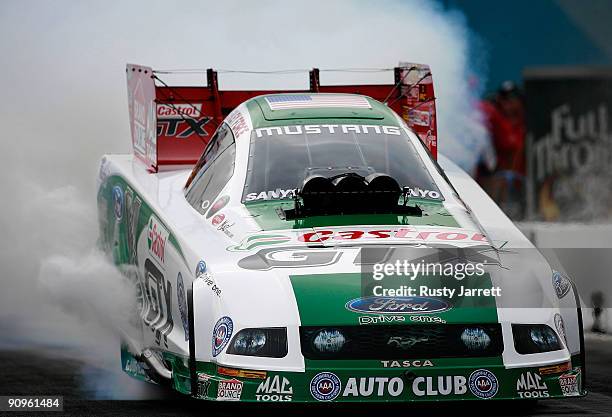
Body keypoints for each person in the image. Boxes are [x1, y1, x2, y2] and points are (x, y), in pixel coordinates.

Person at [479, 81, 526, 218]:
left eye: (511, 99)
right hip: (495, 182)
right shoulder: (495, 117)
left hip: (521, 185)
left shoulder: (525, 121)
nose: (507, 104)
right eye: (504, 99)